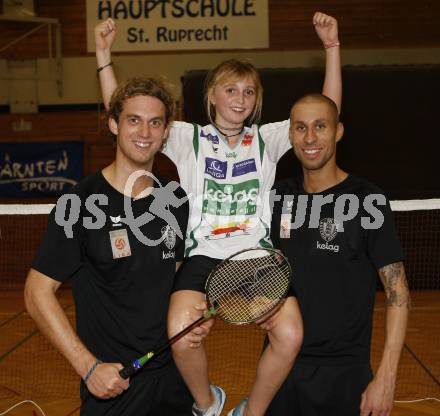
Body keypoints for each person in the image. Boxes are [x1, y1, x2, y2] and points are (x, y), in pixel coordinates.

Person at [94, 12, 341, 416]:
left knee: (291, 333)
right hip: (203, 256)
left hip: (256, 258)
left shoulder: (267, 138)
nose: (240, 99)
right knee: (178, 331)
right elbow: (129, 119)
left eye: (248, 91)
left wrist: (331, 48)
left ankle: (252, 412)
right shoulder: (189, 137)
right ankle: (208, 404)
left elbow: (325, 111)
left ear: (256, 99)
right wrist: (104, 54)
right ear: (212, 95)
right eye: (231, 89)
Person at [24, 77, 211, 415]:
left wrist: (196, 310)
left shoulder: (177, 200)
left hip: (173, 384)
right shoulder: (79, 203)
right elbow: (36, 292)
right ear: (113, 124)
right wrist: (89, 367)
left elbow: (180, 274)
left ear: (166, 130)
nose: (144, 133)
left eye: (155, 122)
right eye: (133, 120)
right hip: (113, 387)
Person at [268, 93, 410, 416]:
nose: (310, 138)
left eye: (321, 126)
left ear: (339, 131)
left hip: (346, 377)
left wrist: (386, 377)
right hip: (282, 369)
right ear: (290, 135)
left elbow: (398, 292)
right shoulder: (276, 198)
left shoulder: (368, 200)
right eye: (300, 128)